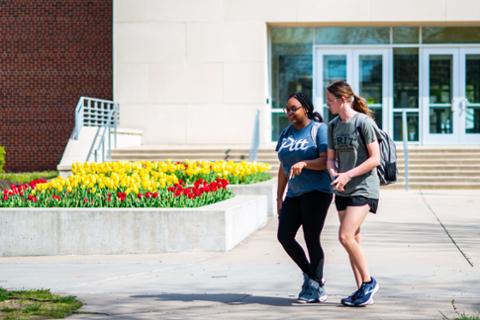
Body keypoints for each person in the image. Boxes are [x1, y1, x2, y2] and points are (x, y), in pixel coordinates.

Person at [326, 80, 381, 307]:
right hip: (342, 189)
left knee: (345, 236)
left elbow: (375, 159)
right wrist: (335, 176)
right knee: (354, 239)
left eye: (330, 100)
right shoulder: (332, 125)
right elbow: (330, 158)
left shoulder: (364, 123)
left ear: (342, 100)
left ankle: (369, 282)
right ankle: (361, 291)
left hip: (364, 187)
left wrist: (348, 175)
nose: (327, 104)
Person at [275, 92, 333, 303]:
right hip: (294, 193)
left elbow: (326, 161)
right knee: (284, 236)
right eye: (287, 109)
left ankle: (315, 286)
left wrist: (306, 164)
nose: (289, 112)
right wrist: (279, 197)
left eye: (293, 108)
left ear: (305, 108)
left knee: (311, 237)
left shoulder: (319, 130)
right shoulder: (285, 134)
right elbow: (283, 167)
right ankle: (313, 276)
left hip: (317, 191)